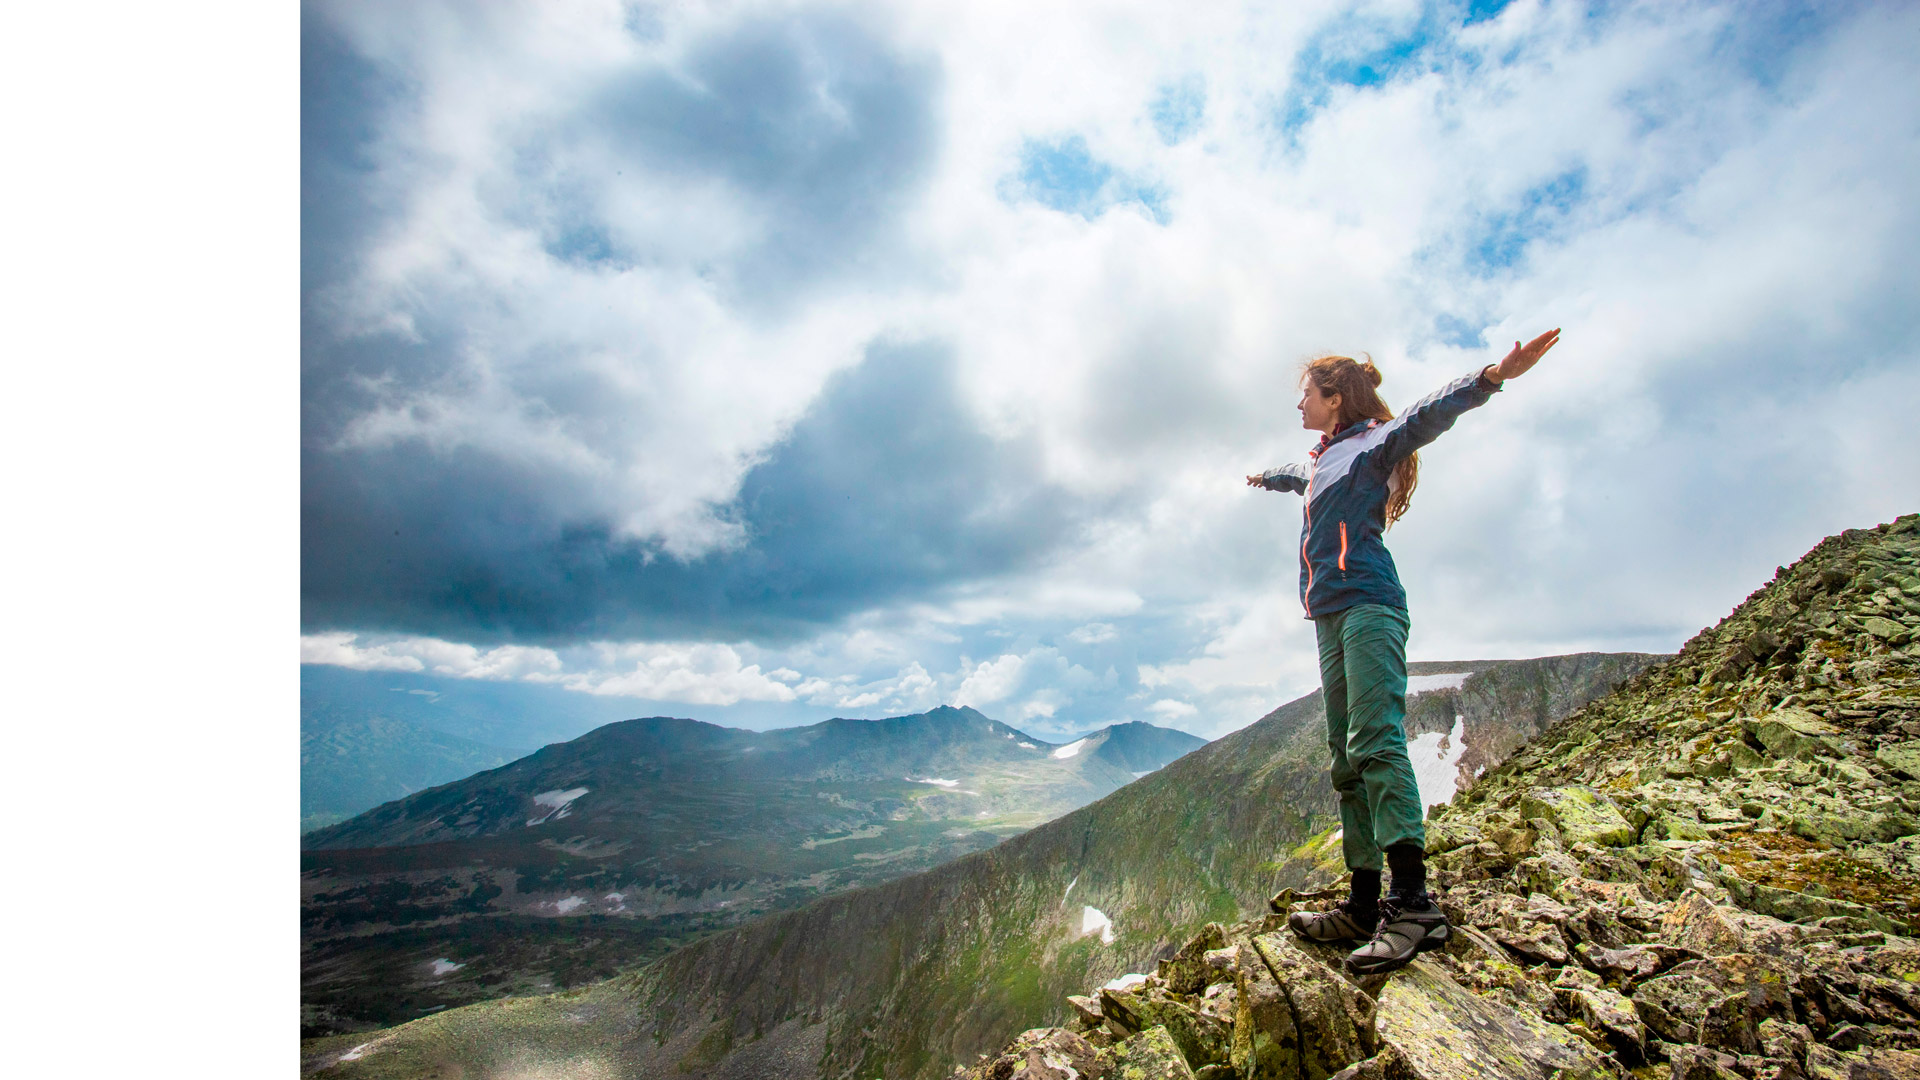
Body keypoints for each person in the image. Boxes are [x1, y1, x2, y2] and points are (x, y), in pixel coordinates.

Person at [1245, 328, 1561, 975]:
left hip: (1369, 607)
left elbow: (1424, 415)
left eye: (1305, 394)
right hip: (1329, 615)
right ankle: (1364, 901)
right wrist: (1263, 477)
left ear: (1335, 399)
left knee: (1377, 739)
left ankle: (1413, 903)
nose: (1297, 405)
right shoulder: (1321, 460)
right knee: (1346, 754)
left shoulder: (1372, 447)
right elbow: (1295, 474)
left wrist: (1493, 376)